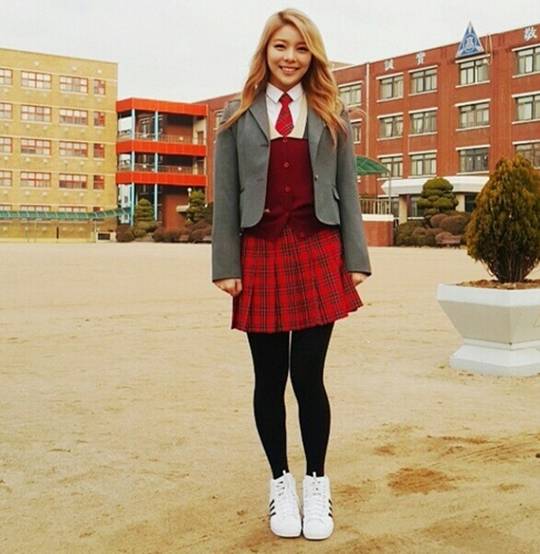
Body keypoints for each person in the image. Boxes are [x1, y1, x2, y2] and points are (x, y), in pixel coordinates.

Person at [211, 8, 371, 541]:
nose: (290, 57)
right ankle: (280, 481)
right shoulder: (236, 115)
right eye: (281, 46)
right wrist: (226, 265)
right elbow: (225, 194)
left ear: (313, 57)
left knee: (308, 376)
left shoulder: (331, 113)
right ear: (266, 51)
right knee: (268, 378)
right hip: (258, 251)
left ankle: (316, 482)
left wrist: (355, 258)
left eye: (301, 48)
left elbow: (346, 189)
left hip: (318, 247)